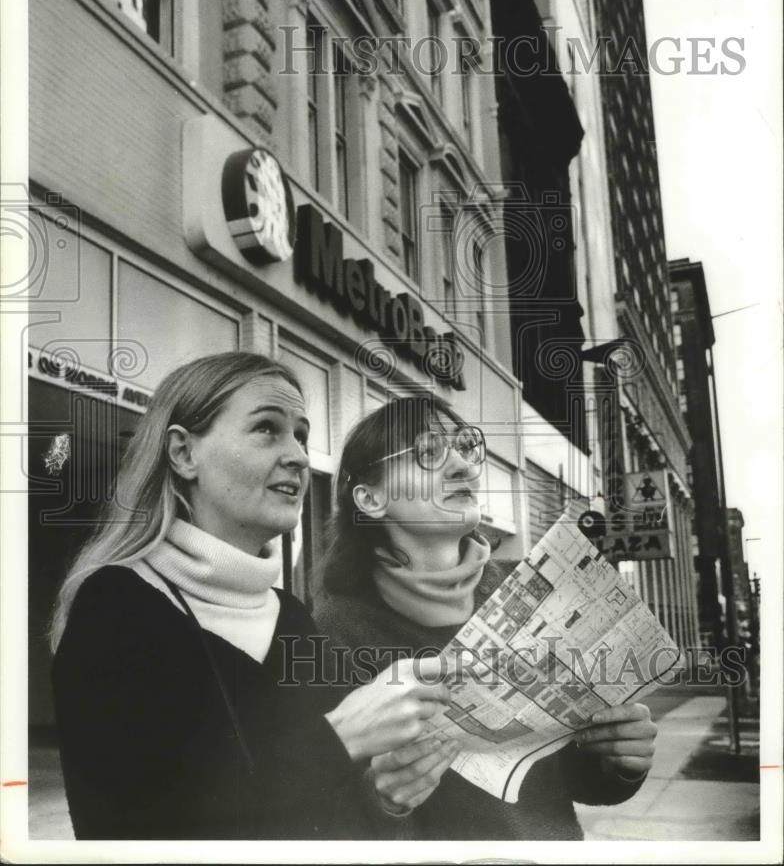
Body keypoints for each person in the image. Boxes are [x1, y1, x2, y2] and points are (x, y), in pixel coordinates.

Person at [50, 353, 454, 840]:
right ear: (183, 454)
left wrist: (385, 795)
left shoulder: (294, 618)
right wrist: (343, 736)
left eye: (302, 435)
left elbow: (330, 809)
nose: (300, 457)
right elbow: (130, 831)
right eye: (267, 428)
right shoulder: (114, 605)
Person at [314, 395, 659, 840]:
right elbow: (321, 813)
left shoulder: (529, 591)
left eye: (464, 446)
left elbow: (569, 781)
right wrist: (381, 799)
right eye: (427, 452)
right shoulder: (332, 629)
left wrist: (620, 759)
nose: (463, 466)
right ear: (370, 498)